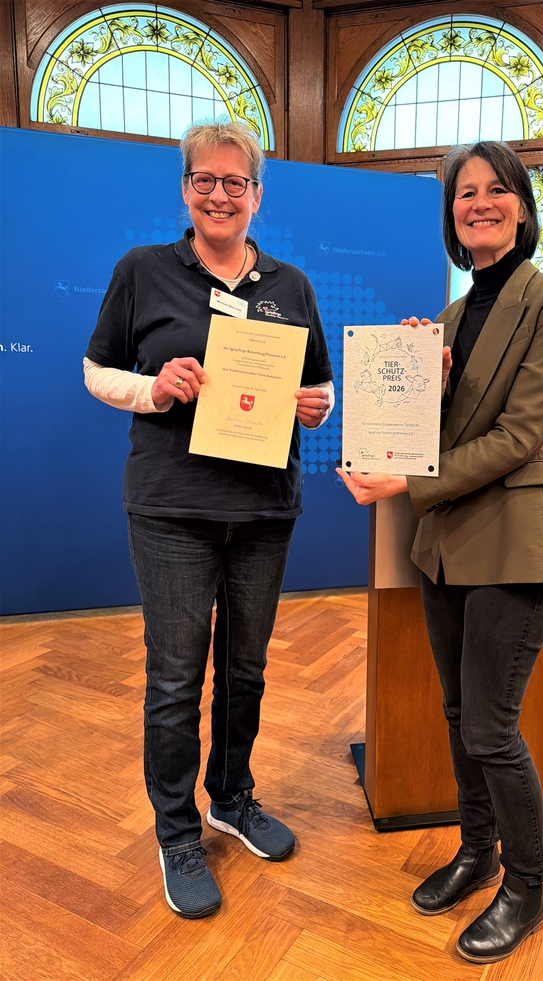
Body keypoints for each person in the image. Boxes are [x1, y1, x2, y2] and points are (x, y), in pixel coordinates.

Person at [338, 140, 543, 963]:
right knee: (458, 715)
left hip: (517, 542)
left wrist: (405, 485)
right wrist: (424, 377)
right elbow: (439, 429)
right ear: (453, 215)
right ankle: (477, 851)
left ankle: (528, 883)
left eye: (494, 190)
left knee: (490, 726)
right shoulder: (445, 320)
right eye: (463, 194)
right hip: (446, 548)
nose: (477, 202)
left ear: (521, 204)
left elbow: (522, 436)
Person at [84, 120, 334, 919]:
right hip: (172, 508)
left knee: (247, 671)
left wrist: (314, 407)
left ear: (258, 194)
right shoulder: (143, 271)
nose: (220, 195)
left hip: (263, 509)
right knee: (175, 677)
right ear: (185, 190)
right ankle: (178, 831)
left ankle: (232, 795)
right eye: (205, 181)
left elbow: (319, 392)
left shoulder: (291, 285)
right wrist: (154, 387)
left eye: (236, 182)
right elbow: (96, 371)